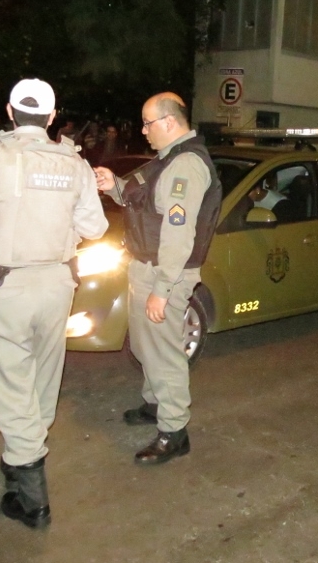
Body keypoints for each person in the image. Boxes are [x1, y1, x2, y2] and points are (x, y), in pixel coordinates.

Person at [0, 78, 108, 528]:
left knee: (10, 379)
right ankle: (24, 451)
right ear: (53, 117)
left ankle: (32, 493)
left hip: (6, 288)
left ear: (11, 112)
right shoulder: (74, 163)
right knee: (42, 374)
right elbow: (94, 228)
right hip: (56, 285)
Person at [94, 92, 221, 465]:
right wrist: (113, 184)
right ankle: (155, 404)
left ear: (168, 122)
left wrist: (162, 291)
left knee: (164, 355)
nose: (144, 130)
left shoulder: (185, 166)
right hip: (146, 267)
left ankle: (174, 431)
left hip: (166, 274)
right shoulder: (166, 160)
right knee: (144, 346)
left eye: (148, 123)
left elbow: (178, 236)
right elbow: (144, 201)